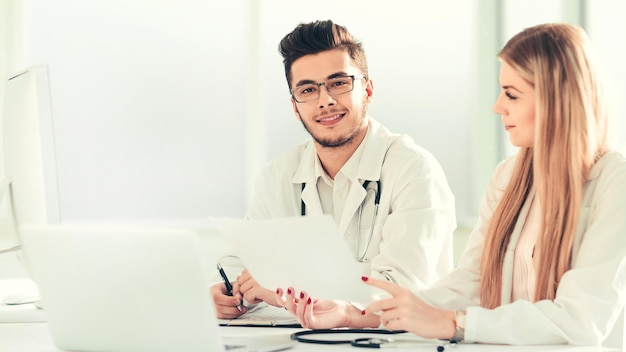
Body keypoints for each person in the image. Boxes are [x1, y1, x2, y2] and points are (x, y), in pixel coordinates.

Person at [277, 22, 626, 345]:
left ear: (556, 100)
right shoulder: (509, 177)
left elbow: (581, 320)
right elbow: (471, 282)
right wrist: (358, 315)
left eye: (512, 94)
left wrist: (455, 324)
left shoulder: (614, 181)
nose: (497, 106)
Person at [211, 19, 456, 319]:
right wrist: (226, 293)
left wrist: (286, 287)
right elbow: (242, 262)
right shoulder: (277, 177)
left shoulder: (415, 171)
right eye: (308, 89)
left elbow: (403, 290)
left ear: (367, 90)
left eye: (339, 83)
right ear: (295, 106)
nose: (325, 101)